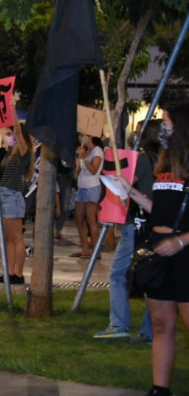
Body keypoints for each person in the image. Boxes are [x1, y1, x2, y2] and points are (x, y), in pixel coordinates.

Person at [116, 103, 189, 396]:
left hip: (184, 252)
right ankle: (160, 388)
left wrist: (182, 240)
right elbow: (160, 210)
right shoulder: (164, 163)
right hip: (159, 252)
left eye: (167, 123)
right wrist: (131, 192)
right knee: (161, 324)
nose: (162, 129)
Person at [94, 120, 158, 341]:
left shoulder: (141, 160)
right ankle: (149, 330)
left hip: (138, 223)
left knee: (117, 273)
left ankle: (119, 324)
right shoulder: (167, 160)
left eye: (139, 131)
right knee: (152, 277)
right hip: (157, 223)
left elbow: (129, 185)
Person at [0, 119, 33, 284]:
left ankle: (18, 273)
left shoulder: (24, 151)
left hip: (12, 196)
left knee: (16, 237)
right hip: (4, 195)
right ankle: (10, 272)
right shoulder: (10, 153)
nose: (8, 136)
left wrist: (13, 112)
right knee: (8, 237)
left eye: (11, 134)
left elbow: (16, 129)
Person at [74, 135, 104, 258]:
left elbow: (94, 170)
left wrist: (85, 159)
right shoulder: (86, 151)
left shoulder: (97, 150)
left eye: (83, 136)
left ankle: (96, 250)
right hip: (82, 186)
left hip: (92, 186)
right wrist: (80, 157)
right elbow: (77, 171)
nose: (81, 138)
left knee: (91, 218)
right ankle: (85, 248)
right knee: (79, 218)